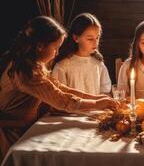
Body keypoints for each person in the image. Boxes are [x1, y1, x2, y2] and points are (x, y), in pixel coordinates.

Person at [0, 16, 119, 160]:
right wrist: (97, 104)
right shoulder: (26, 72)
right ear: (39, 45)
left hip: (23, 125)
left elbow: (61, 88)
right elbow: (63, 101)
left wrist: (97, 98)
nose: (56, 53)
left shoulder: (34, 65)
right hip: (10, 131)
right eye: (55, 48)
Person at [52, 13, 111, 95]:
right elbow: (59, 98)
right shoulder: (62, 66)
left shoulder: (98, 64)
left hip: (98, 108)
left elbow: (106, 91)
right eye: (90, 39)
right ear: (76, 38)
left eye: (97, 38)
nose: (95, 43)